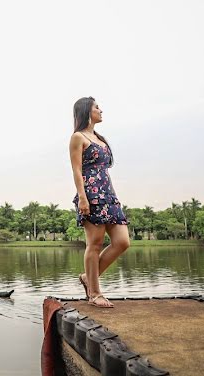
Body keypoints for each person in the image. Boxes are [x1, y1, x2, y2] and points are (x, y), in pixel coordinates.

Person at [69, 96, 130, 308]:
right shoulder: (78, 137)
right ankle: (94, 293)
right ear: (87, 111)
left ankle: (88, 278)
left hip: (108, 194)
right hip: (91, 194)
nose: (100, 110)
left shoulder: (100, 138)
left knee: (122, 241)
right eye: (97, 107)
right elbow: (77, 170)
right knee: (94, 244)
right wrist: (83, 197)